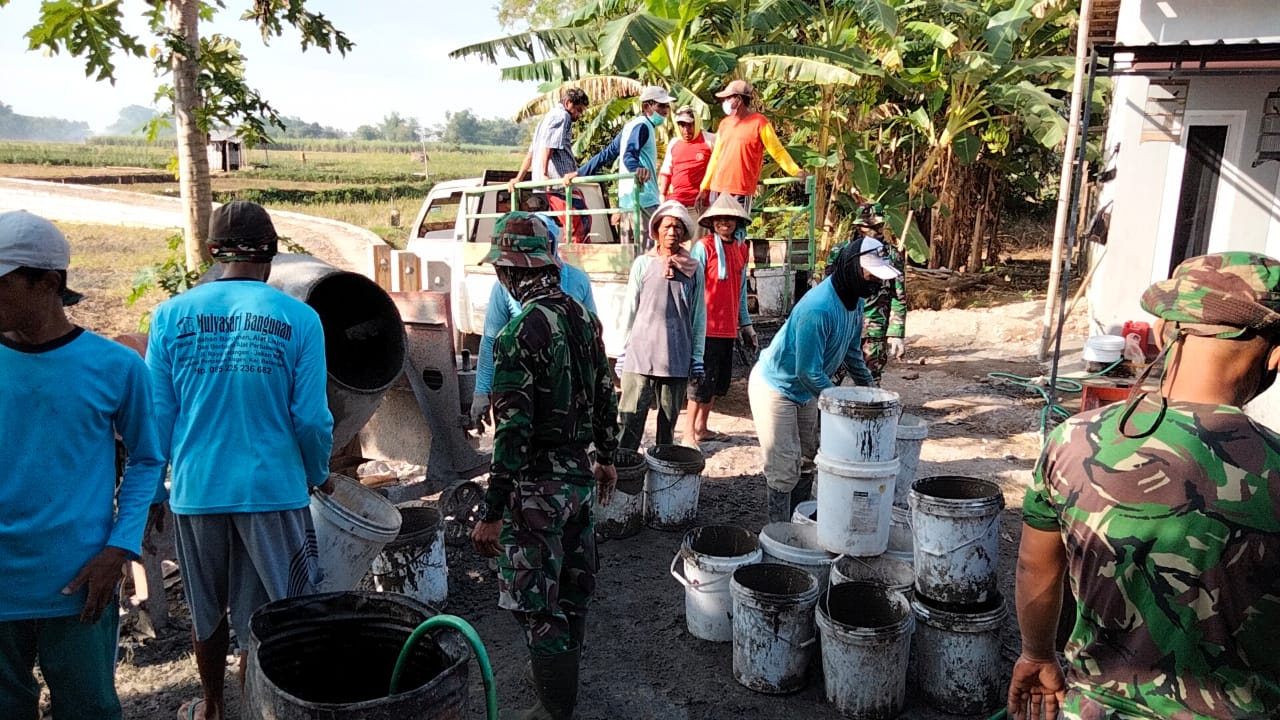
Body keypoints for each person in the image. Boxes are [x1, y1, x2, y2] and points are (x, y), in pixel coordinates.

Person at [1010, 252, 1280, 720]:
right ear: (1276, 356)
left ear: (1161, 334)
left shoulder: (1072, 441)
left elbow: (1036, 568)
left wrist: (1036, 654)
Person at [147, 201, 334, 720]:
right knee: (280, 608)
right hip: (273, 489)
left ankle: (212, 707)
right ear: (272, 253)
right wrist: (317, 474)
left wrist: (156, 492)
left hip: (196, 490)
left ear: (212, 253)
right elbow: (313, 421)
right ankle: (265, 707)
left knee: (207, 610)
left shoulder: (169, 316)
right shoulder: (299, 318)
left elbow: (158, 418)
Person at [0, 211, 165, 720]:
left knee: (88, 708)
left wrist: (120, 545)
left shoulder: (115, 367)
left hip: (78, 582)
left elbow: (146, 458)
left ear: (48, 283)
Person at [468, 213, 619, 720]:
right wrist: (607, 457)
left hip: (536, 493)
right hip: (579, 483)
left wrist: (492, 509)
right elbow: (605, 393)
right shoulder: (582, 318)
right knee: (573, 590)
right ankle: (563, 700)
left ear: (509, 273)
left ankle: (555, 711)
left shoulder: (517, 335)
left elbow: (512, 434)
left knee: (539, 606)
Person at [748, 237, 900, 522]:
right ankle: (779, 532)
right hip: (775, 387)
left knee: (808, 459)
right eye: (871, 275)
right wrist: (847, 405)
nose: (875, 283)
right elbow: (808, 371)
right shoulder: (818, 309)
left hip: (804, 391)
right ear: (852, 268)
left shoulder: (854, 304)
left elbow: (852, 353)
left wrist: (873, 394)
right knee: (784, 467)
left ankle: (798, 521)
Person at [469, 214, 599, 427]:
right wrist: (481, 390)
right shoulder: (503, 291)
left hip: (571, 398)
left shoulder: (578, 281)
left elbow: (593, 344)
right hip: (530, 398)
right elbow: (490, 338)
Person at [616, 200, 706, 450]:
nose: (672, 232)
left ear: (684, 233)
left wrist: (697, 356)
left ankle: (662, 475)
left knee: (668, 420)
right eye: (667, 226)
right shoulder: (643, 264)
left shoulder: (693, 269)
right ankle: (625, 473)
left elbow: (699, 315)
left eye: (678, 227)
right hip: (640, 352)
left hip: (676, 354)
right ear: (656, 230)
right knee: (631, 417)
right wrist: (623, 351)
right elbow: (630, 309)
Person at [682, 193, 756, 448]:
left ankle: (702, 428)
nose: (725, 224)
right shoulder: (704, 247)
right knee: (700, 382)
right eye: (720, 220)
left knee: (716, 383)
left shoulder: (741, 249)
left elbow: (742, 289)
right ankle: (688, 432)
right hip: (705, 327)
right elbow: (691, 287)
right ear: (712, 223)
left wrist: (746, 324)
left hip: (728, 329)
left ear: (738, 222)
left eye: (730, 219)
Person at [575, 86, 676, 248]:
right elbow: (629, 155)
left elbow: (607, 154)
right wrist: (638, 169)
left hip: (627, 202)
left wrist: (580, 173)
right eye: (660, 105)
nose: (665, 110)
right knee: (647, 253)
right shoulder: (643, 126)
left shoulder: (631, 126)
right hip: (644, 200)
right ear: (646, 106)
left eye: (666, 106)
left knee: (629, 255)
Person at [696, 79, 808, 223]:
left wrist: (795, 171)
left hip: (741, 189)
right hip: (717, 187)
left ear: (738, 99)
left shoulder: (759, 123)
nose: (725, 101)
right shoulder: (724, 124)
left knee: (737, 232)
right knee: (718, 232)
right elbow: (716, 158)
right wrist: (704, 187)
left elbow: (778, 151)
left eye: (728, 98)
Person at [828, 203, 907, 380]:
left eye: (880, 226)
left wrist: (896, 333)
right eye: (871, 227)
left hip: (874, 326)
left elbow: (899, 296)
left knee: (870, 380)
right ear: (858, 227)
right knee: (831, 378)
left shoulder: (892, 255)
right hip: (844, 323)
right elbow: (827, 288)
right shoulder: (840, 252)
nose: (877, 231)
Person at [509, 87, 591, 192]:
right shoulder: (563, 116)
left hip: (542, 186)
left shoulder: (545, 119)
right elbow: (549, 146)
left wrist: (519, 178)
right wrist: (544, 174)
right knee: (578, 207)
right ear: (567, 103)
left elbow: (532, 153)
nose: (579, 115)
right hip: (559, 185)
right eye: (578, 110)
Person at [658, 105, 716, 226]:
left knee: (699, 242)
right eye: (682, 125)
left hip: (700, 205)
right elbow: (666, 171)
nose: (686, 130)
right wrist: (662, 196)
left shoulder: (710, 140)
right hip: (676, 204)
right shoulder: (674, 143)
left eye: (690, 125)